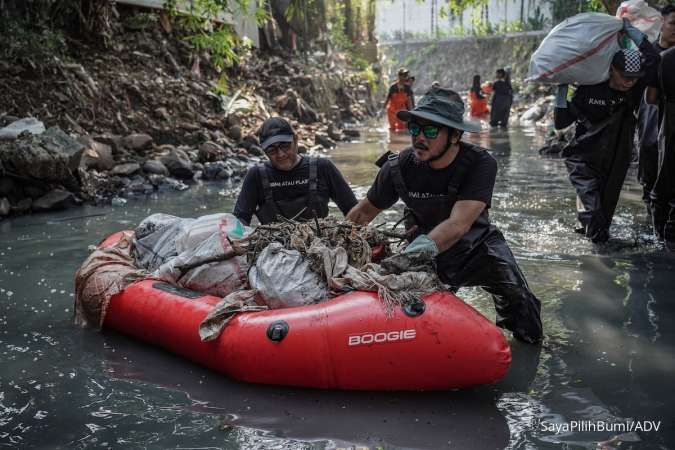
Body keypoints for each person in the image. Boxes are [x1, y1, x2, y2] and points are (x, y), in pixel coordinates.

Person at [347, 86, 543, 344]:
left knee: (521, 305)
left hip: (477, 249)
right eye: (415, 129)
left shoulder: (481, 164)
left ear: (455, 135)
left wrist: (409, 256)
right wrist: (337, 242)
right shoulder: (398, 168)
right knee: (411, 321)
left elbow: (458, 224)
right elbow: (362, 213)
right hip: (423, 252)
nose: (419, 137)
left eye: (430, 131)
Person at [554, 20, 660, 243]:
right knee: (593, 209)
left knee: (605, 214)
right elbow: (561, 122)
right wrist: (561, 91)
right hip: (584, 158)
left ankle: (593, 242)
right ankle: (599, 260)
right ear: (611, 70)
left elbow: (654, 59)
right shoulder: (589, 89)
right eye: (625, 76)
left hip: (617, 158)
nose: (629, 82)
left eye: (634, 78)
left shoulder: (634, 89)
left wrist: (632, 32)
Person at [233, 117, 357, 225]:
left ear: (296, 140)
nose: (280, 154)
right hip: (273, 248)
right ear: (264, 151)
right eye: (272, 150)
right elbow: (240, 219)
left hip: (320, 245)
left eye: (285, 146)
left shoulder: (323, 167)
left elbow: (353, 210)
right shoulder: (256, 176)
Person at [636, 5, 675, 227]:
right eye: (673, 23)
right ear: (661, 23)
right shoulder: (650, 55)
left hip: (669, 128)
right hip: (649, 124)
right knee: (649, 178)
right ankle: (652, 227)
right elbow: (645, 97)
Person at [650, 47, 675, 249]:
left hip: (669, 125)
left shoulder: (665, 58)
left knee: (663, 184)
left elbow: (651, 98)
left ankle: (660, 236)